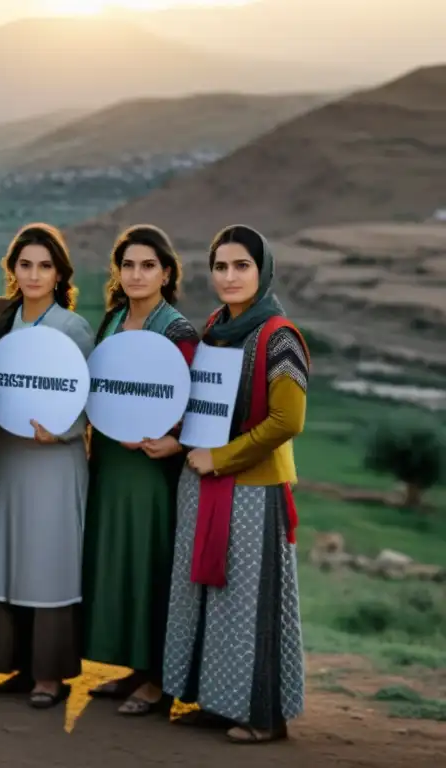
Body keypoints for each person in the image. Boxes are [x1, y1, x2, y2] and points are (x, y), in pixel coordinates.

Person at [164, 225, 309, 744]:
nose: (229, 277)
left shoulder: (280, 337)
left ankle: (263, 715)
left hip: (251, 489)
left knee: (250, 602)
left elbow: (287, 421)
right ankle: (218, 702)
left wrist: (221, 458)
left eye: (241, 266)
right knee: (209, 596)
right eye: (221, 267)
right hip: (203, 481)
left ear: (262, 271)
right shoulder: (214, 327)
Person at [82, 225, 199, 716]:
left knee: (152, 563)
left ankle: (158, 681)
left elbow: (197, 402)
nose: (136, 274)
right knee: (120, 561)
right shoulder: (113, 321)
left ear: (166, 273)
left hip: (151, 467)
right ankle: (134, 667)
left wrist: (175, 441)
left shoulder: (178, 332)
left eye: (148, 265)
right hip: (111, 461)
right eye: (128, 265)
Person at [0, 223, 95, 709]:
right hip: (8, 457)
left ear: (59, 273)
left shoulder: (73, 328)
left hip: (54, 460)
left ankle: (50, 675)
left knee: (48, 559)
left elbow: (90, 399)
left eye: (44, 266)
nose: (33, 274)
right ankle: (19, 666)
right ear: (13, 270)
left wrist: (62, 432)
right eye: (24, 265)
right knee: (9, 555)